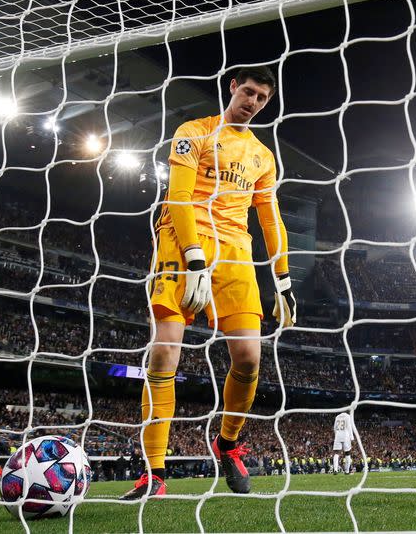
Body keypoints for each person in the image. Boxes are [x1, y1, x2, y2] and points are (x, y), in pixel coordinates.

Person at [121, 66, 296, 500]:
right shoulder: (194, 131)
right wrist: (194, 255)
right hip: (182, 242)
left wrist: (283, 276)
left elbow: (270, 218)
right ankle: (154, 473)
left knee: (250, 358)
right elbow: (177, 196)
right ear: (233, 87)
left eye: (262, 98)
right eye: (249, 92)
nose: (253, 102)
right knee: (164, 354)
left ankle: (228, 443)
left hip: (236, 251)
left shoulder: (262, 156)